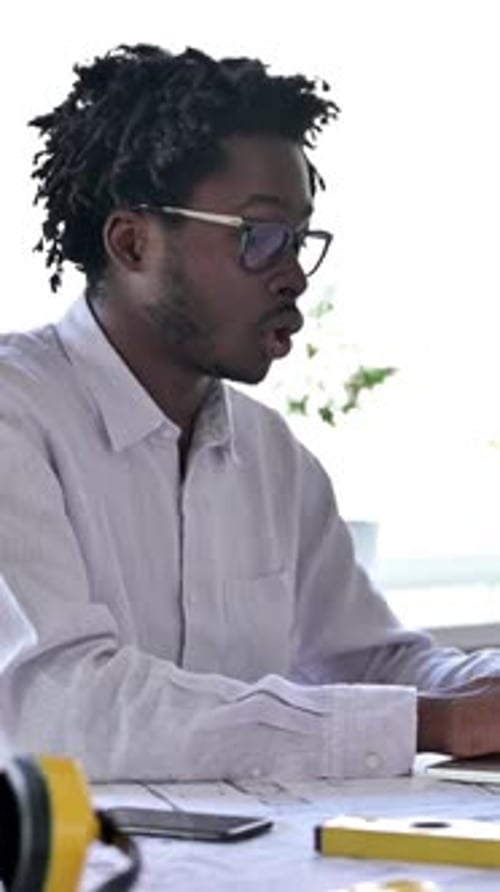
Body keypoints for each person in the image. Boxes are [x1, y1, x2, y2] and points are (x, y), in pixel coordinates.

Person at [0, 43, 499, 782]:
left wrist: (474, 686)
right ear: (132, 241)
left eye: (299, 240)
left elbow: (366, 660)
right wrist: (430, 721)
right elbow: (62, 706)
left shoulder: (270, 453)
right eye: (260, 236)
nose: (294, 274)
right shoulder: (17, 418)